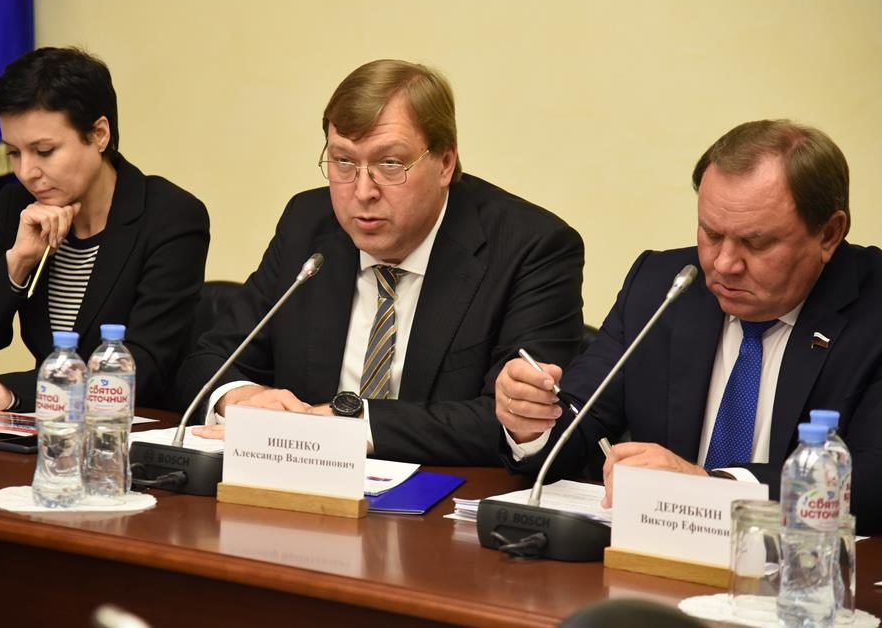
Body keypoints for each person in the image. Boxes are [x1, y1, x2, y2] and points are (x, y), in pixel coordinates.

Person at [176, 58, 584, 465]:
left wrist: (350, 424)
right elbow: (209, 361)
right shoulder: (308, 224)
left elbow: (519, 421)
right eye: (343, 161)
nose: (363, 191)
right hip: (299, 484)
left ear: (445, 163)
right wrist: (241, 397)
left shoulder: (531, 247)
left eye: (390, 164)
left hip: (444, 494)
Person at [495, 119, 882, 533]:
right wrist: (530, 424)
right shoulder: (662, 286)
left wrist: (709, 487)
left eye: (756, 243)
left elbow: (871, 483)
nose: (724, 264)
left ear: (829, 234)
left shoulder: (872, 311)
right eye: (711, 234)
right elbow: (579, 423)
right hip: (652, 556)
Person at [0, 47, 209, 412]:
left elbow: (144, 369)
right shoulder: (19, 206)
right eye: (14, 153)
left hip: (133, 431)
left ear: (99, 134)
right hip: (46, 433)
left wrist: (9, 392)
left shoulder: (170, 217)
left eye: (44, 151)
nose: (26, 172)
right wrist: (17, 264)